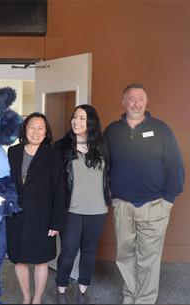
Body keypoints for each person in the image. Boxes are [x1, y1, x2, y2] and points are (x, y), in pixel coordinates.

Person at [104, 83, 185, 304]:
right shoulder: (112, 131)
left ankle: (145, 300)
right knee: (125, 256)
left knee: (148, 258)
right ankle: (130, 296)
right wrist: (109, 193)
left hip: (155, 204)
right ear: (123, 101)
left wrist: (169, 199)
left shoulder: (161, 129)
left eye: (140, 98)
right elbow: (103, 164)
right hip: (123, 204)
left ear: (146, 102)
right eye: (131, 98)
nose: (136, 103)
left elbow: (175, 164)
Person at [6, 112, 66, 304]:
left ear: (46, 131)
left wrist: (57, 221)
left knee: (41, 260)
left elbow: (59, 189)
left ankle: (38, 298)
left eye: (41, 128)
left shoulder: (53, 154)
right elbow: (6, 183)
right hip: (17, 216)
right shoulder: (13, 152)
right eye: (32, 127)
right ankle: (26, 297)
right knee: (19, 258)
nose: (36, 131)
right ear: (25, 129)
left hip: (43, 216)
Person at [54, 105, 110, 304]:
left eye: (82, 118)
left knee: (89, 250)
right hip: (71, 210)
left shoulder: (102, 146)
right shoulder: (61, 147)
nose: (76, 121)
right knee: (68, 251)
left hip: (98, 209)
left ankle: (84, 284)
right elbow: (55, 182)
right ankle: (61, 286)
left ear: (91, 123)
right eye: (74, 117)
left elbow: (109, 175)